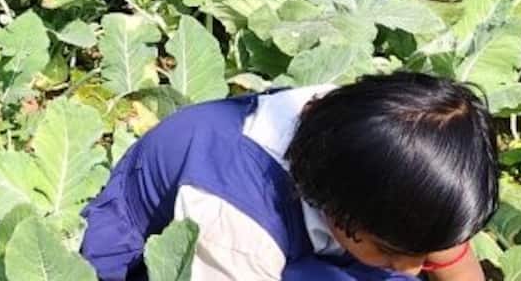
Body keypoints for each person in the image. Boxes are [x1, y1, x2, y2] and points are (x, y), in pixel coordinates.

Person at [78, 72, 496, 281]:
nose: (412, 269)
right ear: (336, 204)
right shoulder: (233, 217)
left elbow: (438, 243)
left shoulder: (382, 142)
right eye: (393, 250)